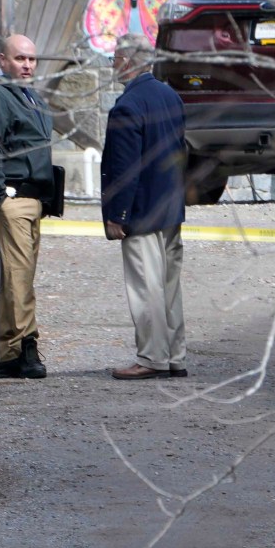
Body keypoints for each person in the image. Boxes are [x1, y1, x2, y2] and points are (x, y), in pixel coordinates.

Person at [0, 33, 55, 380]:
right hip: (13, 198)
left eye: (32, 59)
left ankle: (11, 347)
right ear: (2, 60)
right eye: (20, 59)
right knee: (17, 276)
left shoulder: (27, 95)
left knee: (20, 275)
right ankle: (23, 348)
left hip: (31, 198)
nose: (27, 65)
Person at [100, 36, 187, 379]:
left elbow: (124, 168)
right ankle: (175, 355)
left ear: (129, 61)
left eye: (116, 57)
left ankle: (151, 357)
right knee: (169, 288)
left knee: (146, 287)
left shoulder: (129, 105)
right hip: (169, 208)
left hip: (141, 212)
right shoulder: (171, 97)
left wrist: (117, 215)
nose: (112, 63)